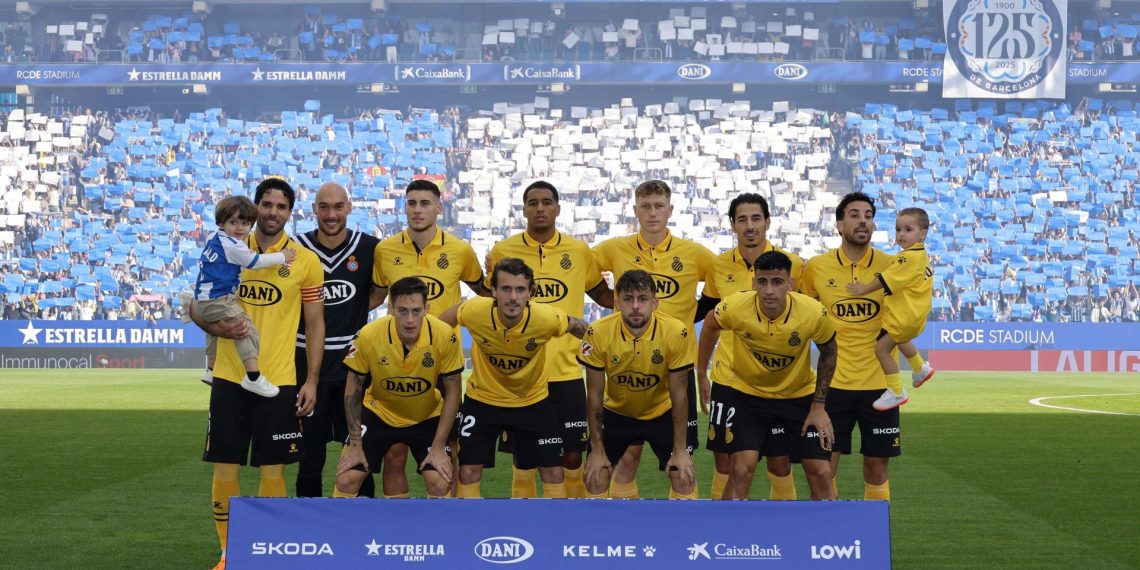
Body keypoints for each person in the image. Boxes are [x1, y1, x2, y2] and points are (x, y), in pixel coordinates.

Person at [193, 178, 324, 570]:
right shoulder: (228, 246)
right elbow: (198, 305)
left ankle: (267, 551)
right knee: (226, 464)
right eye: (266, 204)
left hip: (280, 380)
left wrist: (312, 379)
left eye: (280, 206)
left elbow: (316, 323)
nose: (272, 212)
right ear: (254, 207)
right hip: (230, 378)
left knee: (273, 467)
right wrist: (217, 329)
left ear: (290, 212)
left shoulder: (305, 260)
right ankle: (227, 552)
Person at [485, 180, 614, 498]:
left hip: (567, 371)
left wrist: (638, 299)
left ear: (557, 208)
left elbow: (600, 293)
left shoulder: (578, 250)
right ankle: (524, 525)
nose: (539, 208)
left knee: (572, 455)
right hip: (522, 373)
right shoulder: (504, 251)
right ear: (524, 209)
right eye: (532, 202)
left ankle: (569, 525)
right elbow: (493, 302)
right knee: (525, 458)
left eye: (546, 202)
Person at [592, 179, 716, 498]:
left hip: (676, 367)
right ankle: (623, 530)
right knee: (627, 457)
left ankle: (685, 538)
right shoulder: (613, 248)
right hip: (628, 366)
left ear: (670, 210)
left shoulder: (696, 254)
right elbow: (580, 270)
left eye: (659, 206)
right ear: (635, 210)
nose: (652, 213)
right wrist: (612, 301)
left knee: (681, 465)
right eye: (645, 206)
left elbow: (717, 290)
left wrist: (689, 318)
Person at [438, 257, 589, 498]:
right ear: (494, 291)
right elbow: (447, 319)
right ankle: (468, 529)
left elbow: (577, 327)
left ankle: (555, 530)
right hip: (484, 399)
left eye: (520, 290)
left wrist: (606, 343)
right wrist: (431, 345)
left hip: (532, 400)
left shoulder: (546, 318)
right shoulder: (476, 311)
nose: (513, 297)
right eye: (506, 289)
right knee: (468, 471)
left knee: (553, 472)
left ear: (531, 293)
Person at [373, 179, 486, 498]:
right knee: (393, 453)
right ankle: (400, 528)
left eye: (425, 203)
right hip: (395, 363)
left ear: (439, 208)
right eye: (412, 203)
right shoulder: (385, 250)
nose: (418, 210)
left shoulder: (460, 250)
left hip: (441, 364)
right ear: (404, 207)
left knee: (447, 453)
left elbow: (484, 293)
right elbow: (374, 297)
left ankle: (444, 529)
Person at [697, 251, 837, 500]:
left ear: (790, 285)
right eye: (762, 282)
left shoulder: (812, 312)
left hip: (798, 396)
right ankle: (729, 535)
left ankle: (826, 538)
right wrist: (701, 373)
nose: (769, 290)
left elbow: (829, 351)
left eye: (777, 282)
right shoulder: (736, 306)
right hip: (749, 396)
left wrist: (818, 405)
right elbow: (709, 325)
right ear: (754, 284)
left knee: (822, 472)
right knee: (741, 469)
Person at [698, 193, 803, 500]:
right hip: (729, 377)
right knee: (725, 461)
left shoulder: (793, 265)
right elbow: (711, 320)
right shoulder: (719, 266)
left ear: (767, 222)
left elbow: (807, 313)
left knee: (780, 461)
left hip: (777, 382)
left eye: (756, 218)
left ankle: (783, 529)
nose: (750, 226)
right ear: (732, 225)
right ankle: (723, 527)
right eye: (742, 219)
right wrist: (701, 372)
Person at [801, 192, 900, 501]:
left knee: (876, 469)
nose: (863, 221)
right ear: (839, 224)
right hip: (833, 386)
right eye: (855, 214)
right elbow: (805, 320)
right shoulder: (817, 267)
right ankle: (830, 534)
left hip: (880, 387)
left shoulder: (892, 267)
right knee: (824, 470)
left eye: (868, 215)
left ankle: (874, 539)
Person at [291, 183, 385, 498]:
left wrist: (354, 309)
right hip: (306, 364)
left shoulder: (370, 247)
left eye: (338, 207)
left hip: (353, 363)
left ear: (348, 207)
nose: (331, 215)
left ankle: (365, 524)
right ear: (314, 209)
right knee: (310, 456)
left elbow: (379, 291)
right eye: (324, 207)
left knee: (360, 452)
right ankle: (309, 527)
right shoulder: (295, 248)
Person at [334, 277, 463, 498]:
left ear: (427, 309)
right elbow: (352, 390)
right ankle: (342, 531)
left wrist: (440, 446)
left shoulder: (444, 335)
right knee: (346, 479)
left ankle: (444, 531)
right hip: (379, 414)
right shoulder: (368, 335)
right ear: (391, 308)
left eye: (416, 311)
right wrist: (355, 444)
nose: (410, 319)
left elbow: (453, 392)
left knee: (440, 483)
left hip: (427, 416)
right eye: (402, 311)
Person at [580, 270, 697, 499]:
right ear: (617, 303)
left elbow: (680, 395)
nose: (635, 306)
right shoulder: (597, 332)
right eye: (628, 299)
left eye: (642, 299)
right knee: (596, 476)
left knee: (682, 475)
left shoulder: (676, 332)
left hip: (660, 412)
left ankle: (685, 533)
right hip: (617, 412)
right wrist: (596, 449)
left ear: (655, 303)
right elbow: (594, 395)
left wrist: (681, 450)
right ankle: (600, 533)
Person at [186, 195, 295, 397]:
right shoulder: (233, 245)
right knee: (245, 329)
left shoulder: (213, 237)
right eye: (233, 222)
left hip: (202, 299)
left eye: (245, 223)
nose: (240, 228)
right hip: (218, 298)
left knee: (213, 333)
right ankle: (253, 377)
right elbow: (255, 262)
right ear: (222, 222)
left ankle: (210, 370)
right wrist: (283, 257)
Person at [845, 207, 936, 411]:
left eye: (908, 229)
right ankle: (920, 368)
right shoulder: (921, 255)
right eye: (898, 229)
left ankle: (896, 391)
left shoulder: (907, 258)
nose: (901, 234)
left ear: (923, 233)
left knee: (881, 349)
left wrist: (864, 289)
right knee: (900, 340)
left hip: (904, 316)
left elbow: (887, 279)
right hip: (914, 318)